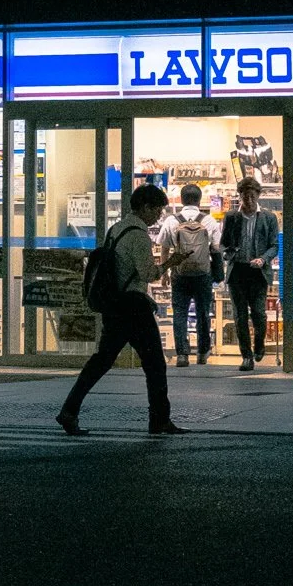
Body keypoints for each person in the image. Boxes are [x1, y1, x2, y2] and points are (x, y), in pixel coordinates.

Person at [57, 182, 183, 437]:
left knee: (101, 360)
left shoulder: (116, 229)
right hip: (133, 307)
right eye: (157, 209)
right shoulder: (138, 235)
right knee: (155, 364)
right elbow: (148, 273)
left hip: (114, 304)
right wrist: (171, 262)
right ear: (144, 207)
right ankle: (159, 420)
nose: (158, 215)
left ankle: (69, 410)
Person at [157, 181, 221, 366]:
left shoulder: (171, 221)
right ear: (199, 200)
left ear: (181, 199)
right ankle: (202, 353)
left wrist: (164, 273)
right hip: (203, 274)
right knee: (203, 313)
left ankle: (182, 355)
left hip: (180, 273)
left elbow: (164, 249)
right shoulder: (208, 221)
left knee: (180, 313)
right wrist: (218, 273)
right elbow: (216, 248)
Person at [221, 176, 279, 371]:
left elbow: (274, 245)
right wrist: (228, 253)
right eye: (245, 197)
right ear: (240, 196)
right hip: (237, 270)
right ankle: (246, 356)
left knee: (258, 312)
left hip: (258, 272)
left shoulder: (268, 218)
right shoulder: (231, 217)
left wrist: (263, 259)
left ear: (258, 195)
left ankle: (259, 345)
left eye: (252, 196)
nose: (249, 200)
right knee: (239, 315)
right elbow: (223, 243)